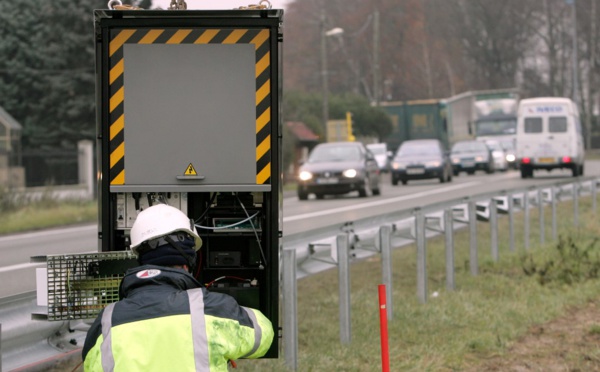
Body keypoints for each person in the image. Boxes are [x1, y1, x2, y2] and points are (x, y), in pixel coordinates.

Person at [82, 204, 274, 371]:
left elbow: (90, 364)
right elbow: (263, 334)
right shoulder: (210, 309)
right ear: (185, 264)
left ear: (140, 258)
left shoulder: (107, 321)